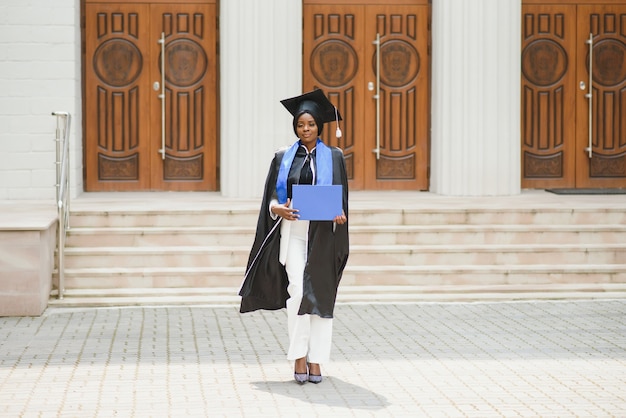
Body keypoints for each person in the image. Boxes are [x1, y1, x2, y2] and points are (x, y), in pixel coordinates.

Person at [238, 89, 349, 384]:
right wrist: (279, 209)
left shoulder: (334, 157)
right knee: (299, 293)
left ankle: (317, 361)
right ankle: (299, 355)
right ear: (295, 128)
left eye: (311, 124)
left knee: (322, 299)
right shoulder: (283, 157)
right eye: (301, 125)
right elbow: (271, 200)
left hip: (323, 237)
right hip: (294, 235)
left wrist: (338, 214)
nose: (306, 129)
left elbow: (341, 201)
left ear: (319, 127)